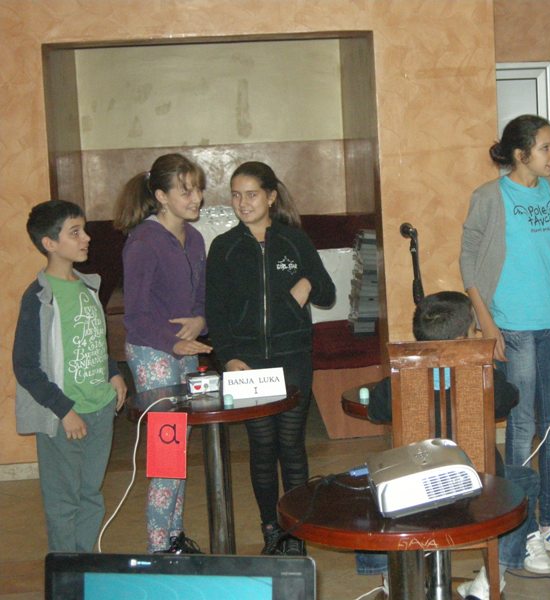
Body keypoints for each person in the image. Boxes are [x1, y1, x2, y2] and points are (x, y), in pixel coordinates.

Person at [359, 291, 540, 600]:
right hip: (478, 495)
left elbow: (376, 410)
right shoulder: (484, 376)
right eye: (473, 330)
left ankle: (393, 577)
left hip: (411, 497)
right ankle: (491, 579)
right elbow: (509, 400)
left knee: (370, 487)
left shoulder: (398, 380)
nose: (478, 334)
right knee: (526, 481)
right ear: (461, 339)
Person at [460, 114, 550, 574]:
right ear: (520, 154)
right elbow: (469, 260)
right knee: (523, 424)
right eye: (546, 148)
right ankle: (523, 531)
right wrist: (487, 324)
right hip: (514, 326)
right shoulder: (489, 197)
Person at [205, 161, 335, 556]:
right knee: (262, 446)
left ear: (271, 197)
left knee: (291, 445)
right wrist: (227, 358)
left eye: (252, 194)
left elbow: (327, 292)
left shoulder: (294, 241)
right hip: (247, 363)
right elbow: (216, 312)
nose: (243, 203)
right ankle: (271, 529)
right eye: (236, 195)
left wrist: (306, 283)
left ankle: (296, 529)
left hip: (292, 357)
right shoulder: (224, 247)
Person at [13, 200, 127, 552]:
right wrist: (64, 410)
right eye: (75, 232)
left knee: (91, 493)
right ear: (49, 243)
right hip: (65, 416)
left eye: (84, 230)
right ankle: (66, 571)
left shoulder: (88, 287)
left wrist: (113, 373)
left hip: (100, 409)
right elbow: (25, 366)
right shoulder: (39, 298)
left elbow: (94, 340)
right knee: (64, 500)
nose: (86, 238)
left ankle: (86, 563)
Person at [114, 153, 212, 554]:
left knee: (178, 454)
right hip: (152, 352)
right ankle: (158, 550)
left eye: (198, 189)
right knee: (166, 455)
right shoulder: (143, 242)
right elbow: (135, 318)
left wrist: (200, 320)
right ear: (161, 196)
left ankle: (175, 537)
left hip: (184, 351)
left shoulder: (196, 239)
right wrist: (174, 342)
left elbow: (201, 299)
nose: (196, 198)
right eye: (185, 191)